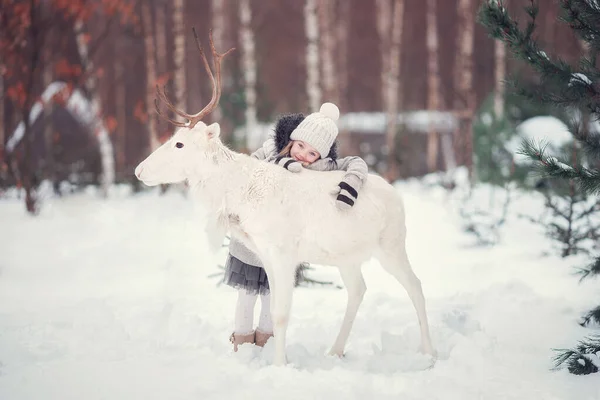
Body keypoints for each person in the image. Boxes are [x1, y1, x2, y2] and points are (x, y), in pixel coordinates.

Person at [223, 102, 369, 351]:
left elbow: (355, 162)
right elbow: (245, 172)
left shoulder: (320, 168)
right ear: (292, 139)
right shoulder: (269, 152)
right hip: (252, 242)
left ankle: (266, 345)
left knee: (273, 297)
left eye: (312, 153)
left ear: (320, 157)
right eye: (300, 145)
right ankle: (242, 344)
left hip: (284, 246)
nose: (302, 154)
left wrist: (352, 183)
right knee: (246, 297)